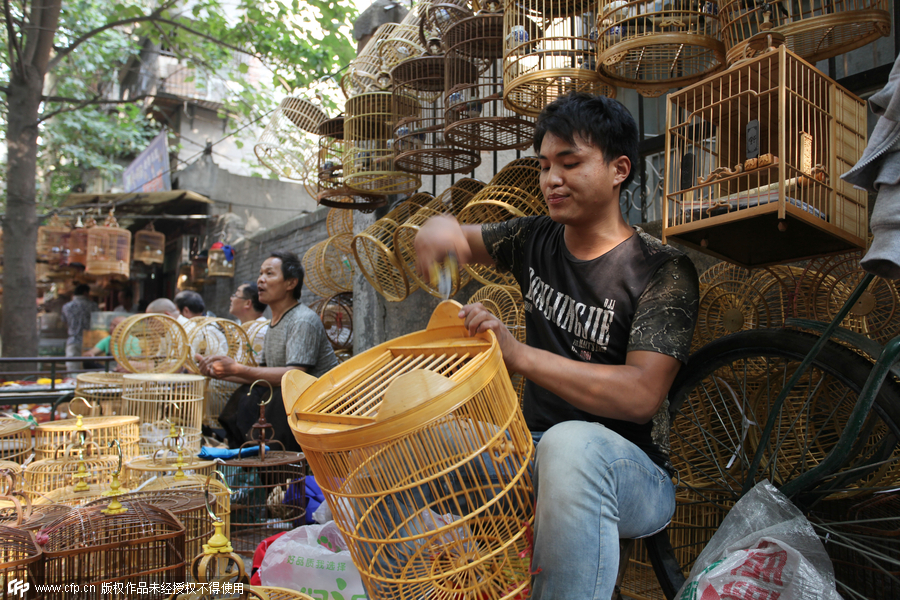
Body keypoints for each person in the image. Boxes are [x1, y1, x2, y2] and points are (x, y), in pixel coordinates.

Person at [414, 92, 699, 599]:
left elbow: (640, 395)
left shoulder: (662, 269)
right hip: (529, 454)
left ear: (619, 169)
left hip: (631, 472)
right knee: (412, 426)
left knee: (571, 443)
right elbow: (460, 239)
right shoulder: (533, 239)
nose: (551, 179)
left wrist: (519, 356)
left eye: (570, 163)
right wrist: (440, 232)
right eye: (545, 165)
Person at [198, 251, 340, 450]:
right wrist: (222, 373)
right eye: (260, 274)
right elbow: (264, 374)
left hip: (315, 404)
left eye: (269, 274)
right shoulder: (275, 321)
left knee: (265, 399)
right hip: (289, 399)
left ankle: (273, 466)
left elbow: (294, 375)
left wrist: (238, 369)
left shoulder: (301, 320)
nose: (260, 280)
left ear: (291, 283)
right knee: (250, 392)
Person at [61, 284, 98, 372]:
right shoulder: (92, 305)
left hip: (73, 340)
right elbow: (98, 322)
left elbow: (64, 323)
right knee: (89, 370)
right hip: (90, 342)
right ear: (85, 293)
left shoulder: (66, 307)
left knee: (72, 368)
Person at [230, 281, 269, 364]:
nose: (231, 298)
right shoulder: (245, 328)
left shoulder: (260, 332)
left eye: (235, 295)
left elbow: (253, 369)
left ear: (247, 303)